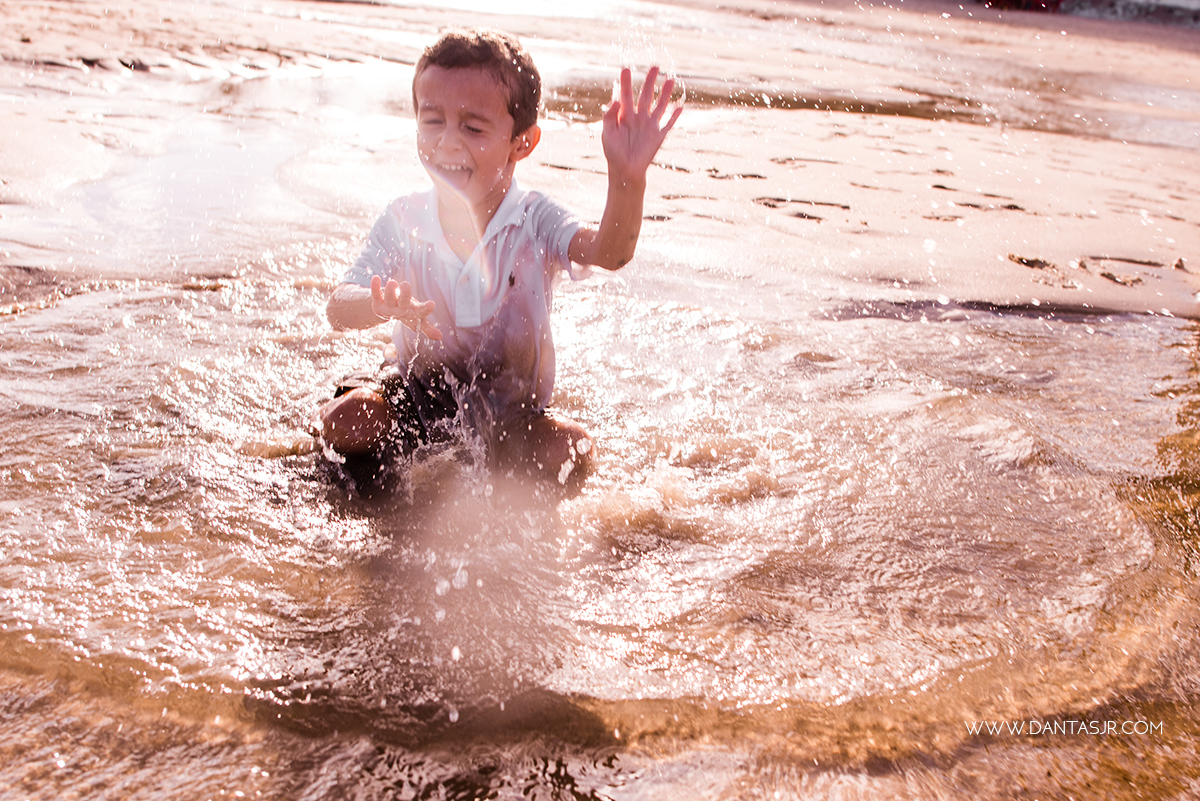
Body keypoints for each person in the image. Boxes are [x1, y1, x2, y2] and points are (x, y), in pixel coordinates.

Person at [316, 28, 682, 492]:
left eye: (472, 127)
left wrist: (627, 177)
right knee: (350, 421)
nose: (448, 142)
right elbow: (338, 307)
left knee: (574, 449)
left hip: (512, 415)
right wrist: (378, 306)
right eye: (432, 120)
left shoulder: (534, 219)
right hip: (413, 398)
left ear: (522, 143)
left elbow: (609, 252)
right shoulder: (404, 218)